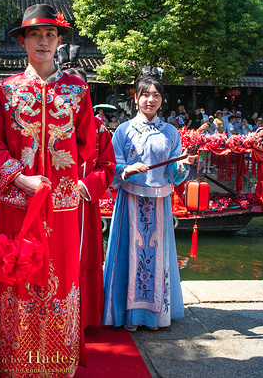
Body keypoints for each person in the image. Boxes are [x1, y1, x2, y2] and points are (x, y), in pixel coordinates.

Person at [0, 4, 96, 376]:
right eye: (36, 35)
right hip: (19, 205)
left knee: (60, 279)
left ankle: (57, 362)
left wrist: (80, 183)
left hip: (64, 207)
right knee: (19, 275)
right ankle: (14, 363)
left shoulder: (77, 89)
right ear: (23, 42)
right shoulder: (5, 90)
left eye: (50, 35)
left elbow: (90, 146)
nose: (44, 41)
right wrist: (20, 177)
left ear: (59, 41)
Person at [102, 74, 195, 332]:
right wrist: (127, 168)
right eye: (145, 94)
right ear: (136, 98)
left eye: (155, 95)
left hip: (159, 206)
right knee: (128, 258)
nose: (150, 99)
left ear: (161, 100)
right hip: (130, 201)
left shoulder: (170, 132)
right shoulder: (123, 130)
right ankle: (126, 315)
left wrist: (181, 165)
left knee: (157, 259)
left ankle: (154, 315)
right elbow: (112, 165)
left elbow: (175, 173)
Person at [65, 68, 115, 339]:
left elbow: (107, 166)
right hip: (51, 200)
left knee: (84, 256)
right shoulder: (48, 121)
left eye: (80, 89)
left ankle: (82, 317)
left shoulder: (98, 127)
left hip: (84, 202)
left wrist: (85, 185)